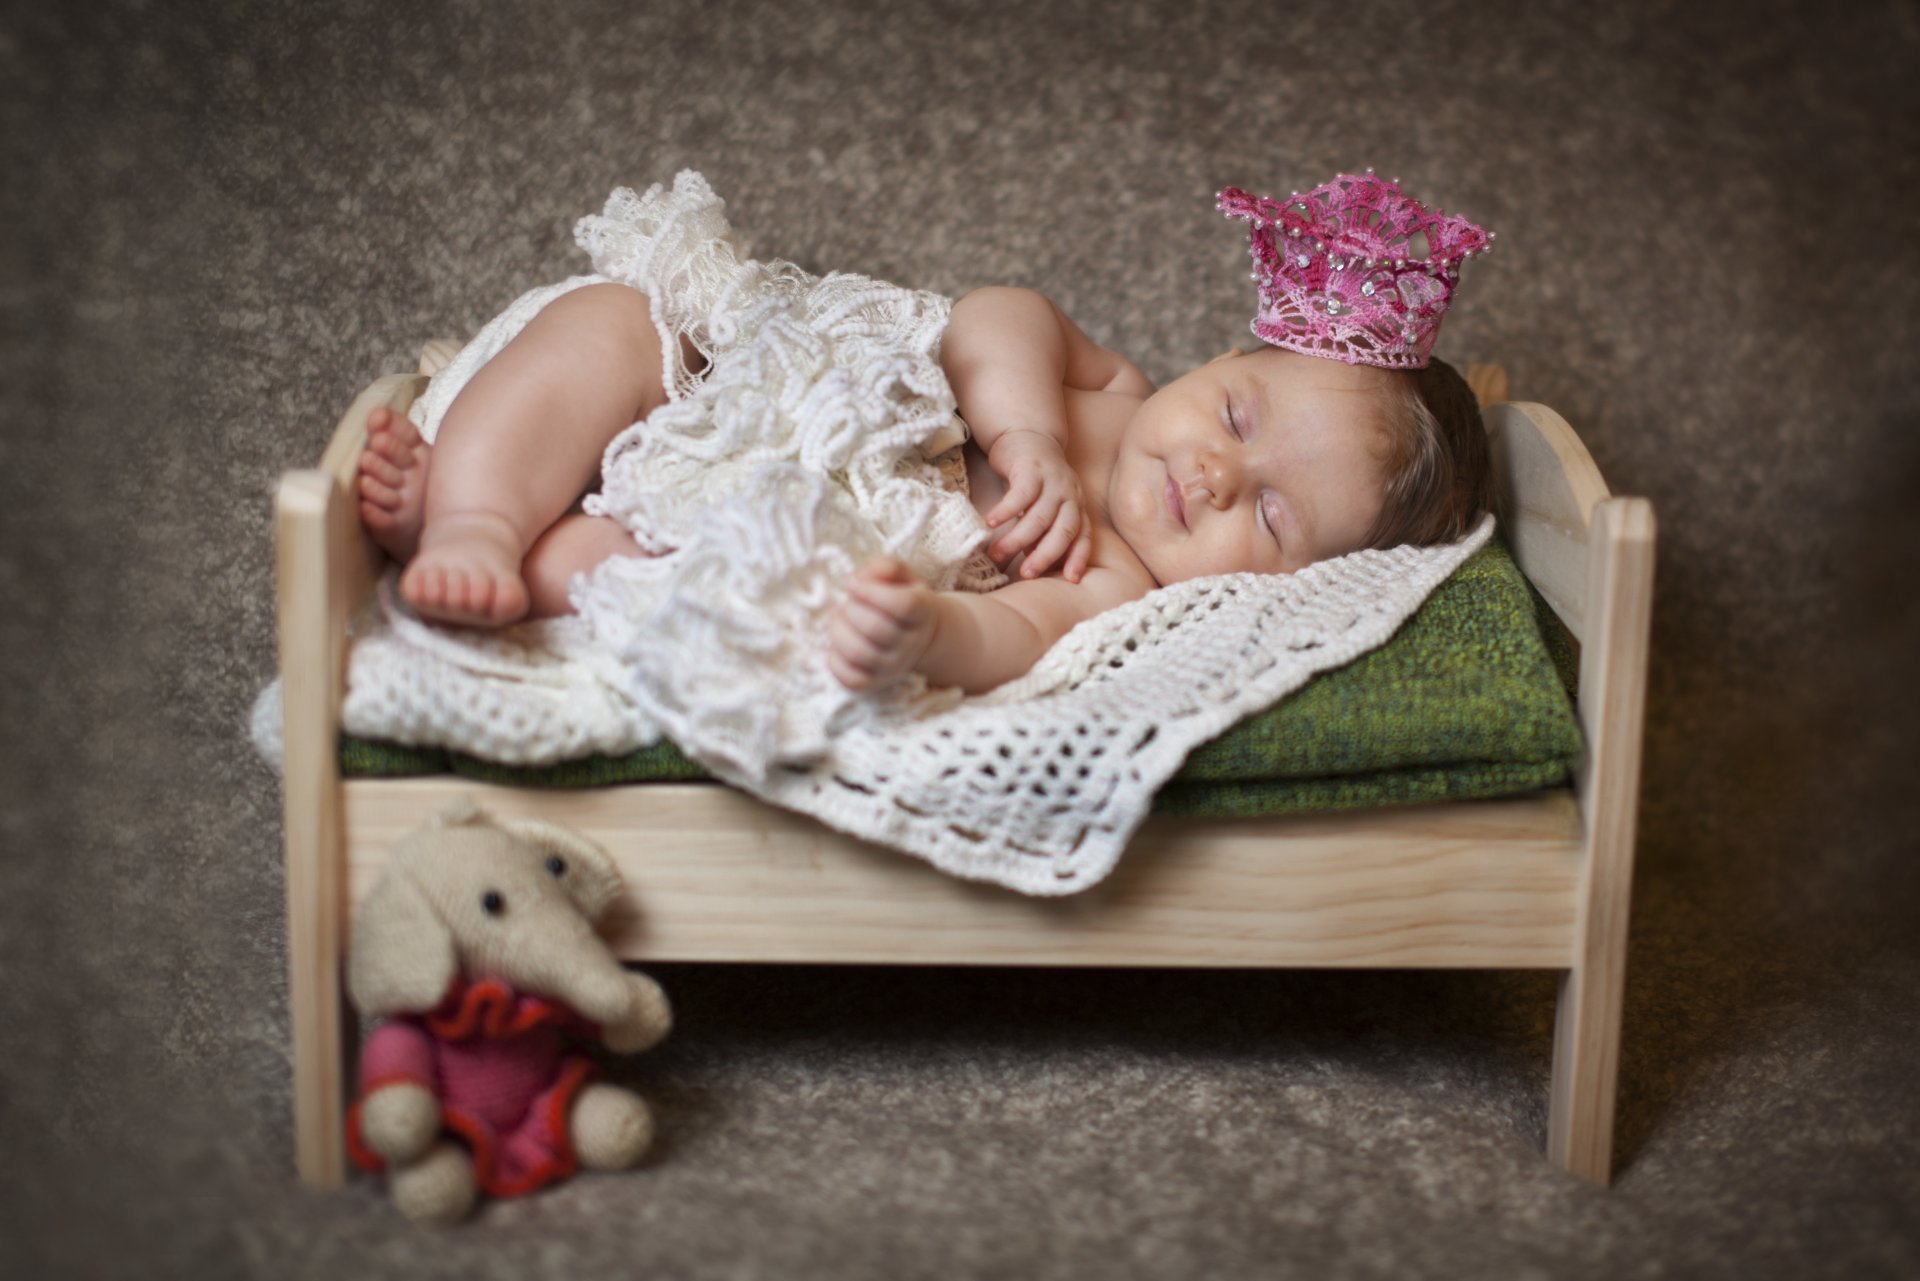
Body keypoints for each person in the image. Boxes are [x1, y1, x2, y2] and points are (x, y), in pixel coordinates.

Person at [356, 172, 1492, 696]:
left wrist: (927, 634)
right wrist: (1030, 435)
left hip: (749, 517)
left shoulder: (1114, 584)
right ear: (1221, 361)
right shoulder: (1105, 390)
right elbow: (998, 314)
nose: (1212, 472)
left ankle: (480, 550)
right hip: (733, 388)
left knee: (646, 585)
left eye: (1275, 515)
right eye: (1237, 417)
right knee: (609, 325)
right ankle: (472, 512)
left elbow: (1013, 643)